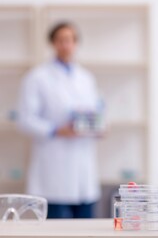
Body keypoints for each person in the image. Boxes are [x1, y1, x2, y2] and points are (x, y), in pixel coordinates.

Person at [18, 23, 102, 219]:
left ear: (76, 43)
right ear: (53, 43)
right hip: (54, 167)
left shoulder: (86, 78)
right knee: (54, 228)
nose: (66, 45)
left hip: (84, 168)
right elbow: (25, 119)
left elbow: (96, 110)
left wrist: (98, 126)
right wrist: (56, 130)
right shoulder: (37, 77)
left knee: (85, 229)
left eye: (70, 40)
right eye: (61, 40)